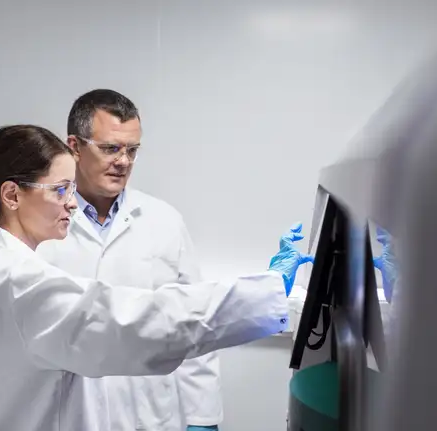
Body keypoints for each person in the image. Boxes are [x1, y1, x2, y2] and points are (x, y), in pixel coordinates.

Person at [0, 124, 313, 431]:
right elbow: (132, 324)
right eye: (60, 189)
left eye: (71, 188)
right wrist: (265, 292)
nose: (71, 201)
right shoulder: (15, 280)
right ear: (12, 195)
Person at [35, 89, 313, 431]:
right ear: (74, 147)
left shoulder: (163, 220)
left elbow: (194, 322)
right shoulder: (40, 225)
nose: (123, 161)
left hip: (148, 415)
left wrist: (203, 417)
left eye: (132, 150)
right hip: (68, 415)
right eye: (110, 148)